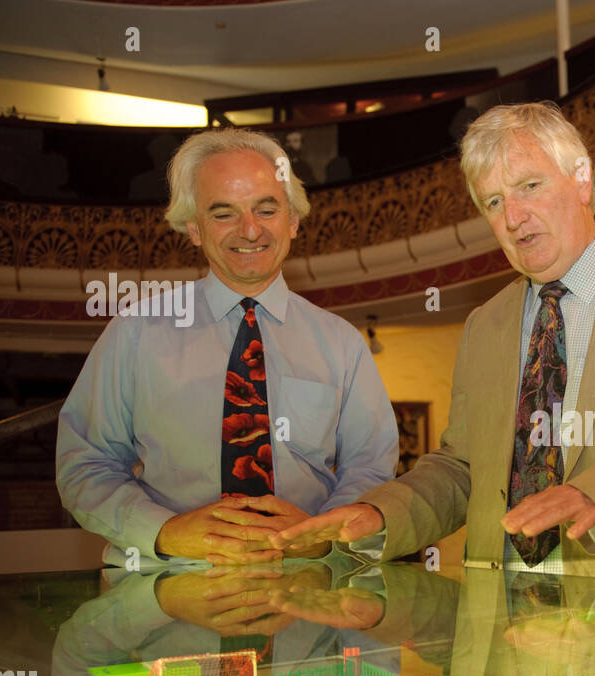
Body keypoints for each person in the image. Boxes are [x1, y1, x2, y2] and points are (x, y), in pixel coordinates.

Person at [272, 102, 595, 584]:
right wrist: (378, 515)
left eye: (529, 186)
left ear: (580, 178)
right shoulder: (484, 325)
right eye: (493, 202)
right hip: (500, 622)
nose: (512, 217)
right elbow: (463, 468)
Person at [57, 129, 398, 565]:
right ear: (193, 228)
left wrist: (321, 533)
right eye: (223, 213)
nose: (250, 230)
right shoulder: (134, 332)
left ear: (293, 220)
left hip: (307, 593)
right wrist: (165, 532)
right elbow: (85, 464)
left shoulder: (343, 344)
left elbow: (370, 469)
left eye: (266, 209)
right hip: (168, 597)